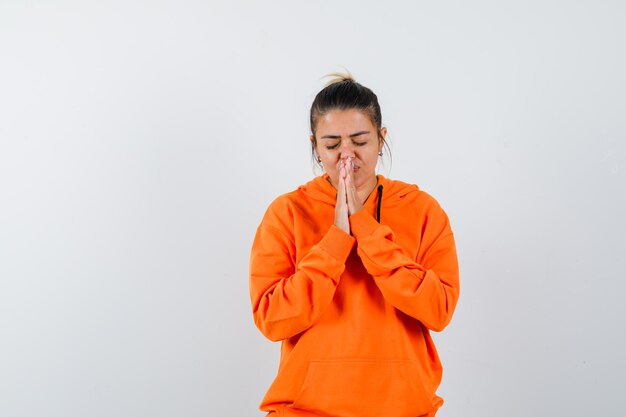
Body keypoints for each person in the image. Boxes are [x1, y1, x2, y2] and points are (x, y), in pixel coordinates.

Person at [249, 73, 460, 417]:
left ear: (381, 138)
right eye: (332, 145)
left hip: (404, 408)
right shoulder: (288, 212)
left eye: (359, 141)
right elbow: (273, 320)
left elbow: (438, 310)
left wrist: (363, 224)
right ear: (315, 146)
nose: (347, 157)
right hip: (303, 410)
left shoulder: (422, 209)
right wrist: (336, 238)